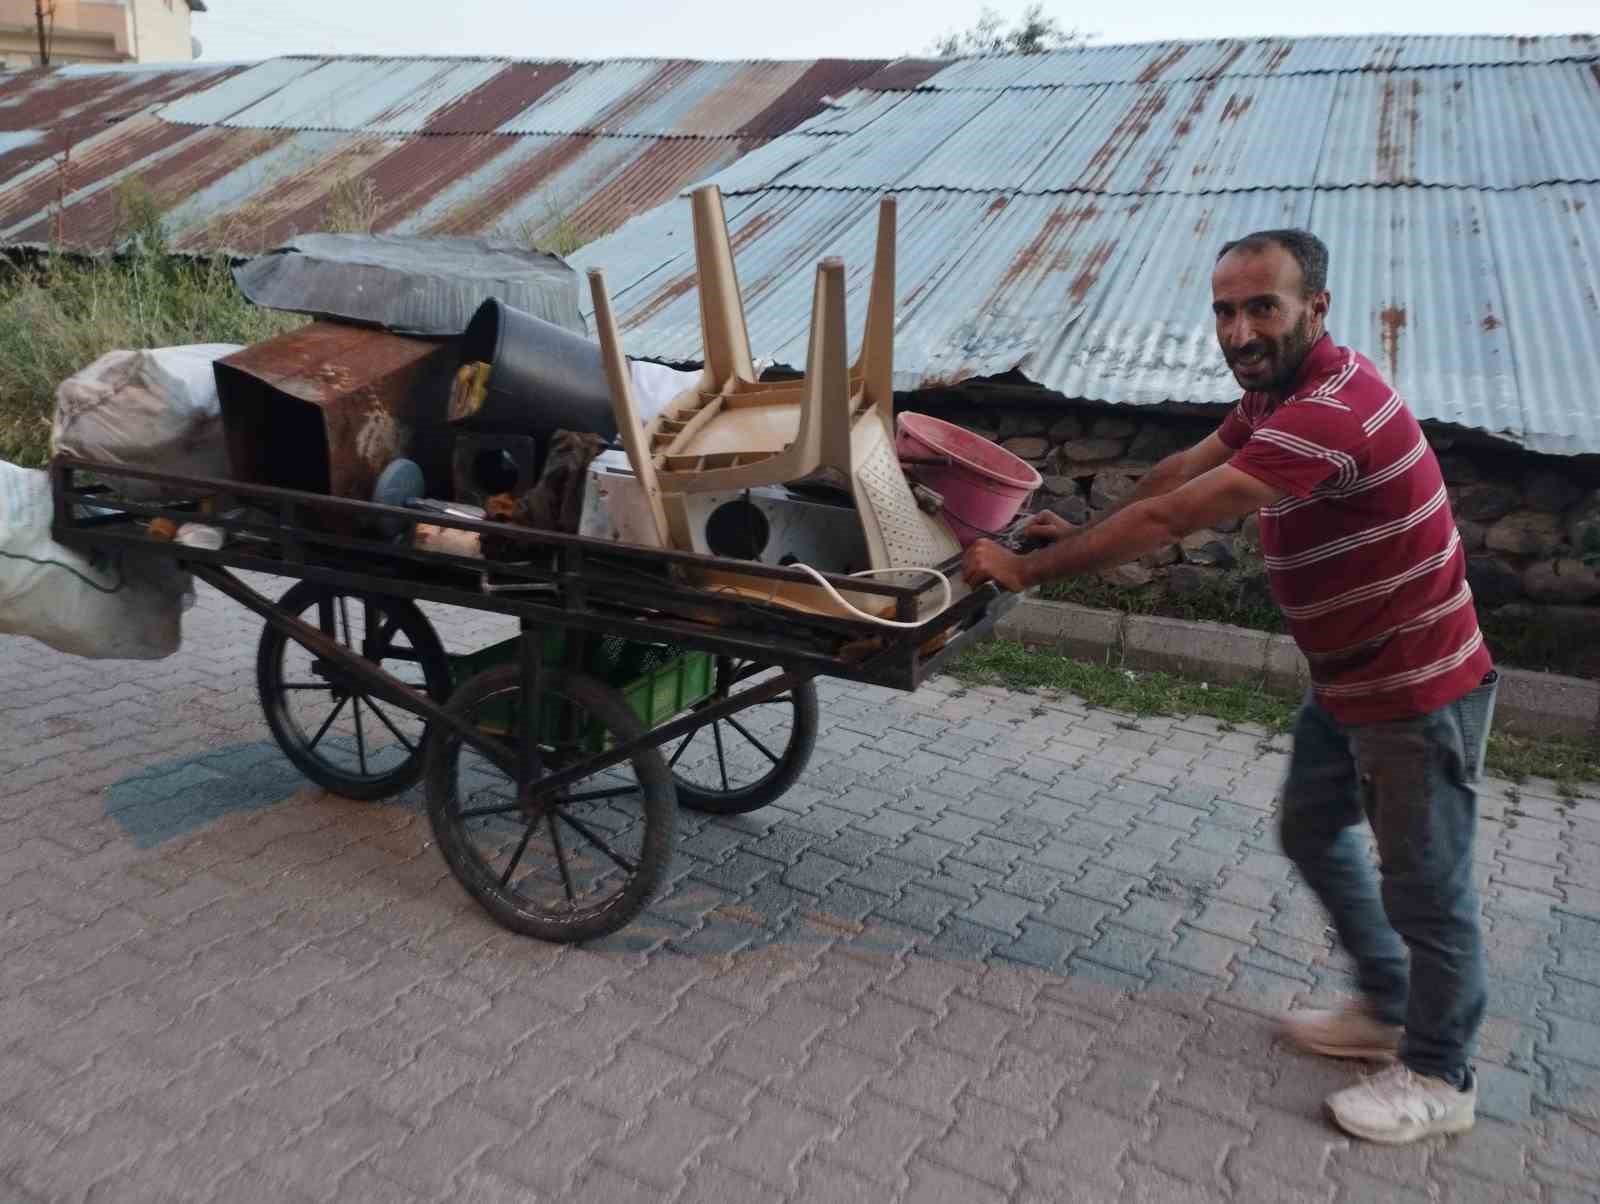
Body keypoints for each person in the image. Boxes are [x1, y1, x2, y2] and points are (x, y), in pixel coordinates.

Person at [963, 229, 1498, 1146]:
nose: (1239, 330)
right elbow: (1181, 472)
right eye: (1224, 309)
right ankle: (1386, 1002)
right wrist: (1081, 521)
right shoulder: (1275, 394)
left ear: (1315, 309)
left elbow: (1179, 515)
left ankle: (1441, 1075)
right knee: (1309, 827)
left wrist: (1025, 573)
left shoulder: (1331, 410)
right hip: (1348, 678)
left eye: (1262, 307)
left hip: (1416, 688)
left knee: (1426, 886)